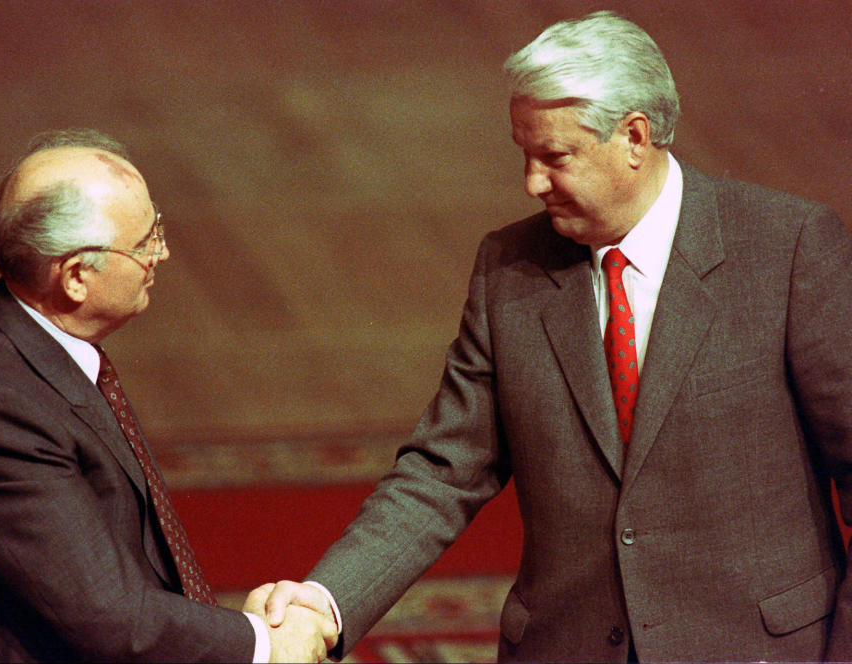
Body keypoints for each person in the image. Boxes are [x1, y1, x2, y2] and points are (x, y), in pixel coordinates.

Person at [249, 10, 852, 662]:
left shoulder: (786, 250)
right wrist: (323, 602)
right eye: (524, 155)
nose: (531, 183)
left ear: (635, 137)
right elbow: (443, 473)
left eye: (554, 157)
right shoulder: (509, 269)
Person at [0, 129, 336, 662]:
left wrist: (228, 630)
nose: (164, 253)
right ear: (77, 276)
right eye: (146, 243)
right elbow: (109, 617)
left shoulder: (34, 338)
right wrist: (264, 644)